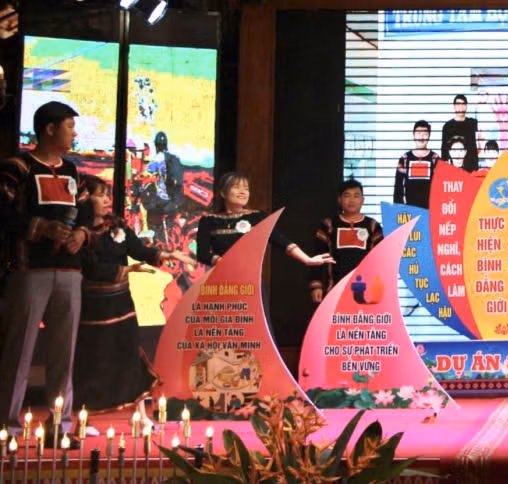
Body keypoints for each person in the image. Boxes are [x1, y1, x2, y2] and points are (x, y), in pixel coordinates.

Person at [0, 101, 89, 444]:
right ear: (50, 129)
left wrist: (82, 235)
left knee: (64, 352)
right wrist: (42, 227)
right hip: (29, 270)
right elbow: (4, 213)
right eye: (69, 126)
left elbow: (85, 214)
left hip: (69, 271)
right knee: (19, 350)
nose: (74, 133)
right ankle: (7, 428)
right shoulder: (17, 168)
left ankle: (59, 426)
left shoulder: (72, 170)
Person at [73, 175, 195, 411]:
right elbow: (90, 268)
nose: (106, 200)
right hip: (94, 307)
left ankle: (136, 411)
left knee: (128, 353)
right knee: (95, 356)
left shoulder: (117, 226)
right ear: (85, 199)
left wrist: (167, 255)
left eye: (107, 195)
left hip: (122, 304)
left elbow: (139, 250)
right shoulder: (80, 233)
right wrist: (127, 270)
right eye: (100, 195)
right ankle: (87, 412)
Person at [195, 171, 332, 268]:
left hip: (249, 283)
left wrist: (307, 259)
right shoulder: (208, 220)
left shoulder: (256, 216)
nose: (243, 192)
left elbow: (281, 240)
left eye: (246, 189)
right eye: (236, 187)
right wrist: (222, 263)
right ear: (223, 193)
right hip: (221, 283)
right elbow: (202, 254)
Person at [310, 179, 383, 302]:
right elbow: (318, 257)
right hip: (333, 291)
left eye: (356, 196)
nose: (352, 200)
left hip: (365, 292)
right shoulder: (328, 225)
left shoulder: (373, 226)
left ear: (362, 200)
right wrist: (316, 286)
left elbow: (381, 260)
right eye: (347, 195)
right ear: (339, 200)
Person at [393, 120, 442, 209]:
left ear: (429, 136)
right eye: (418, 133)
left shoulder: (435, 159)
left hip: (430, 211)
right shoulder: (404, 159)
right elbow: (398, 189)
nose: (421, 137)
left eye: (425, 134)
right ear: (413, 135)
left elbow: (440, 188)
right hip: (409, 211)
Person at [440, 94, 479, 172]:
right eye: (458, 104)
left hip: (471, 166)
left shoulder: (473, 123)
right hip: (454, 167)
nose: (460, 107)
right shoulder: (447, 126)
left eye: (463, 104)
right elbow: (444, 149)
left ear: (466, 106)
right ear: (454, 107)